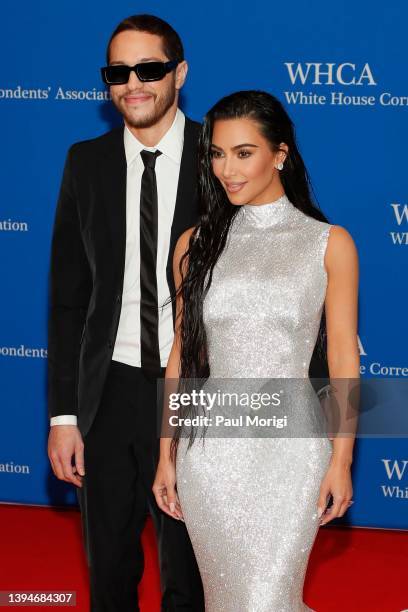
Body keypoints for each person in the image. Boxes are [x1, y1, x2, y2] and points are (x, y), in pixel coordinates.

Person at [153, 90, 359, 611]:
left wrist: (341, 459)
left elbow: (341, 362)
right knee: (226, 599)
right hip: (211, 454)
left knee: (269, 599)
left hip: (292, 453)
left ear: (280, 155)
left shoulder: (329, 243)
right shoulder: (193, 245)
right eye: (217, 154)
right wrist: (166, 455)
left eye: (243, 153)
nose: (227, 168)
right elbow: (182, 356)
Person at [46, 14, 206, 612]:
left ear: (179, 73)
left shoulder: (221, 158)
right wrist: (64, 415)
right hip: (107, 390)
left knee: (187, 574)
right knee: (108, 565)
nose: (133, 83)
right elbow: (68, 298)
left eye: (149, 68)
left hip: (192, 390)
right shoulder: (84, 163)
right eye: (118, 71)